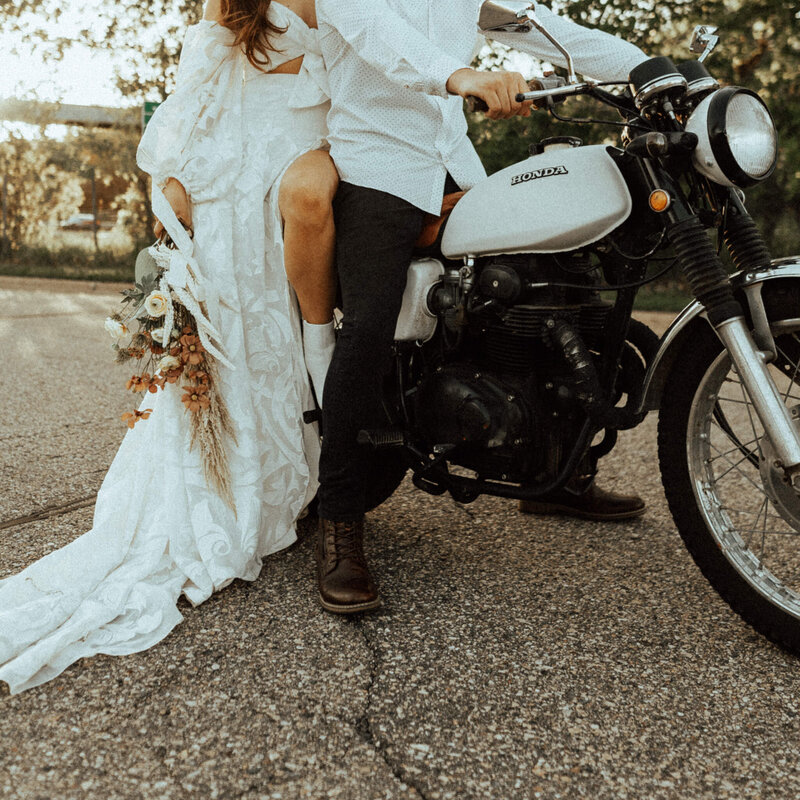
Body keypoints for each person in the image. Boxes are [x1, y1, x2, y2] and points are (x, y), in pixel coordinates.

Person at [0, 0, 337, 694]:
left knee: (273, 350)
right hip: (224, 195)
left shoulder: (351, 14)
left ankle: (297, 483)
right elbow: (187, 115)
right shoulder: (232, 12)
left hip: (286, 187)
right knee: (222, 352)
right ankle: (240, 491)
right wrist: (174, 187)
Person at [312, 0, 651, 614]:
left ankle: (556, 472)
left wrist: (654, 68)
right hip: (377, 166)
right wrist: (462, 77)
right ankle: (341, 522)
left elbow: (550, 32)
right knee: (367, 329)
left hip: (455, 168)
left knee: (554, 288)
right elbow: (384, 37)